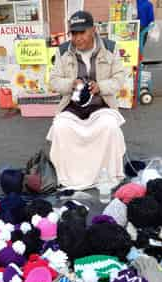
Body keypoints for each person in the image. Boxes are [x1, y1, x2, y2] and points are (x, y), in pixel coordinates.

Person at [47, 10, 127, 190]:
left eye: (82, 32)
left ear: (93, 30)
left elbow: (120, 78)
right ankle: (69, 178)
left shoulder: (110, 48)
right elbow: (53, 80)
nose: (77, 38)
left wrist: (101, 87)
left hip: (101, 105)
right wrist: (70, 84)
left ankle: (106, 175)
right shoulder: (62, 51)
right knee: (61, 128)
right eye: (74, 33)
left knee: (109, 126)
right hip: (72, 106)